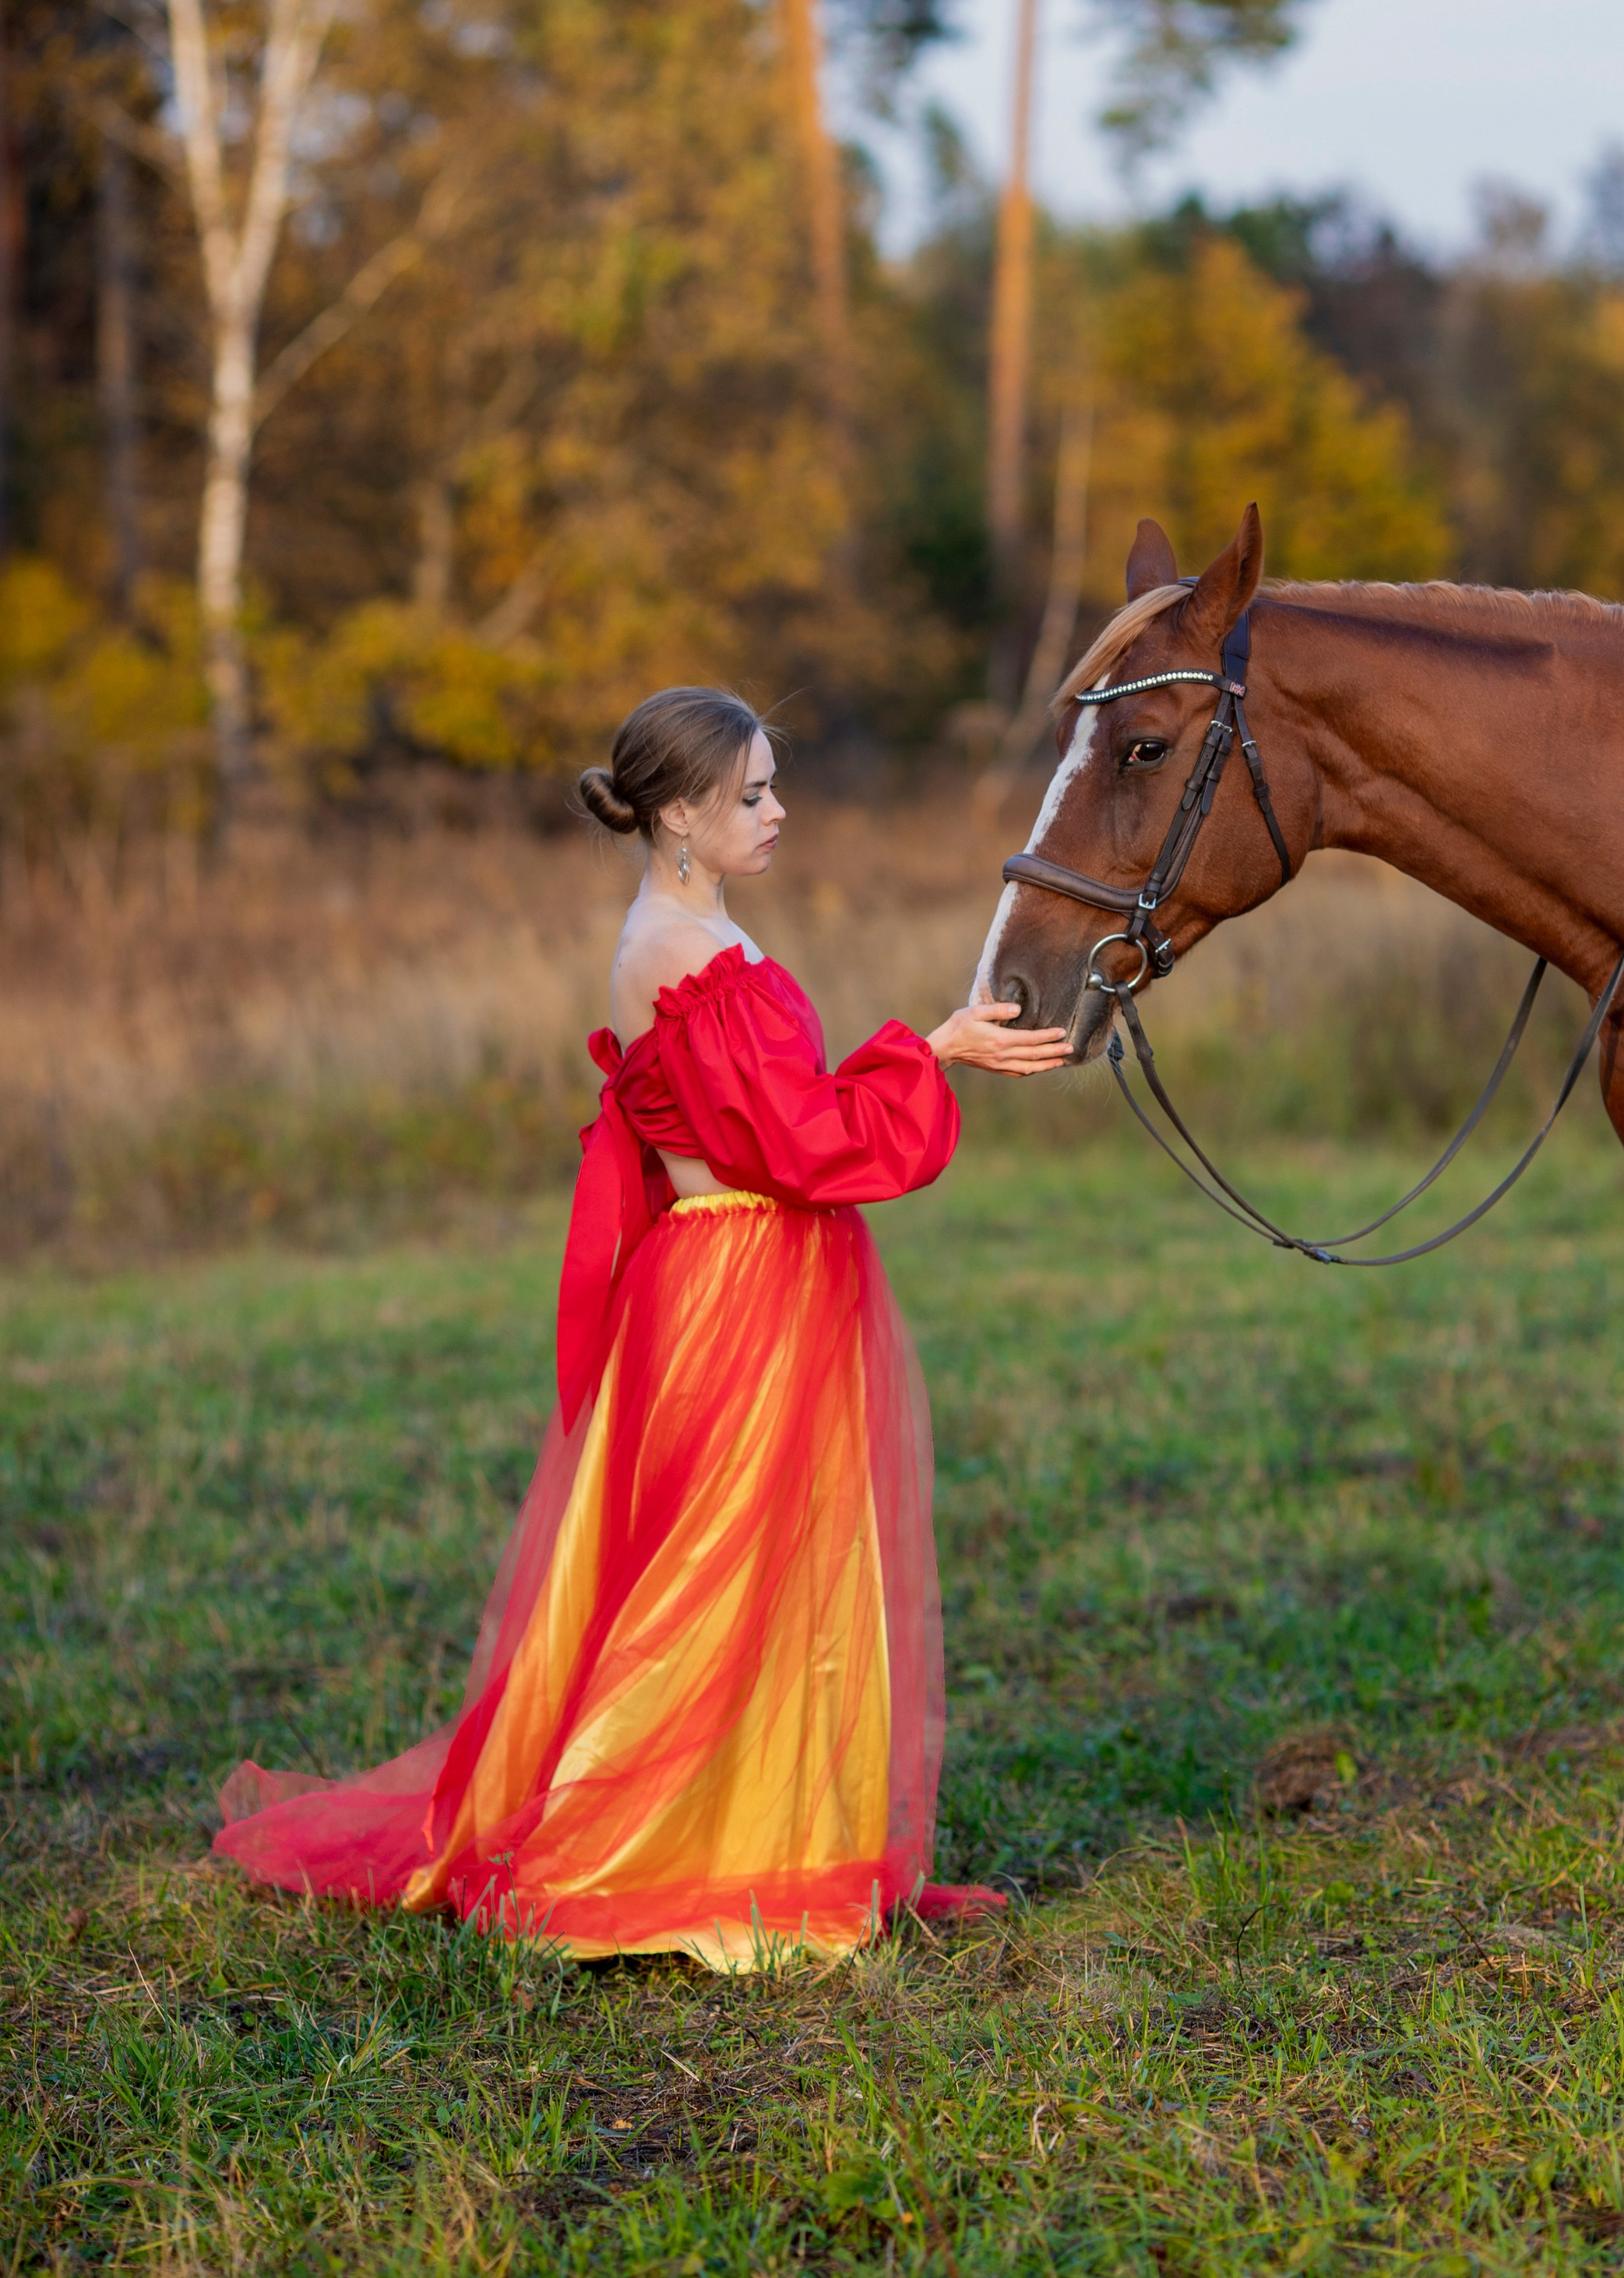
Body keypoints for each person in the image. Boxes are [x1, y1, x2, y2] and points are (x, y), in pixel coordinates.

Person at [214, 687, 1069, 1966]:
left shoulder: (706, 928)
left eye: (774, 786)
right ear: (676, 813)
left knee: (781, 1564)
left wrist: (923, 1054)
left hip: (767, 1267)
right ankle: (633, 1850)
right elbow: (793, 1141)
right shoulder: (671, 949)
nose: (780, 812)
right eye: (753, 794)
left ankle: (768, 1834)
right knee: (712, 1566)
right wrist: (930, 1054)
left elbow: (775, 1113)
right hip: (734, 1278)